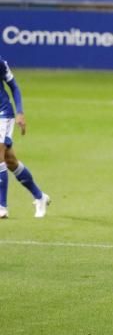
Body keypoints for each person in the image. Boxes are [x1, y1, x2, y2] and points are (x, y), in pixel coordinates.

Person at [0, 55, 50, 219]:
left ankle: (2, 207)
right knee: (10, 160)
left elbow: (13, 86)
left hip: (3, 114)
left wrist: (20, 112)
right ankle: (40, 197)